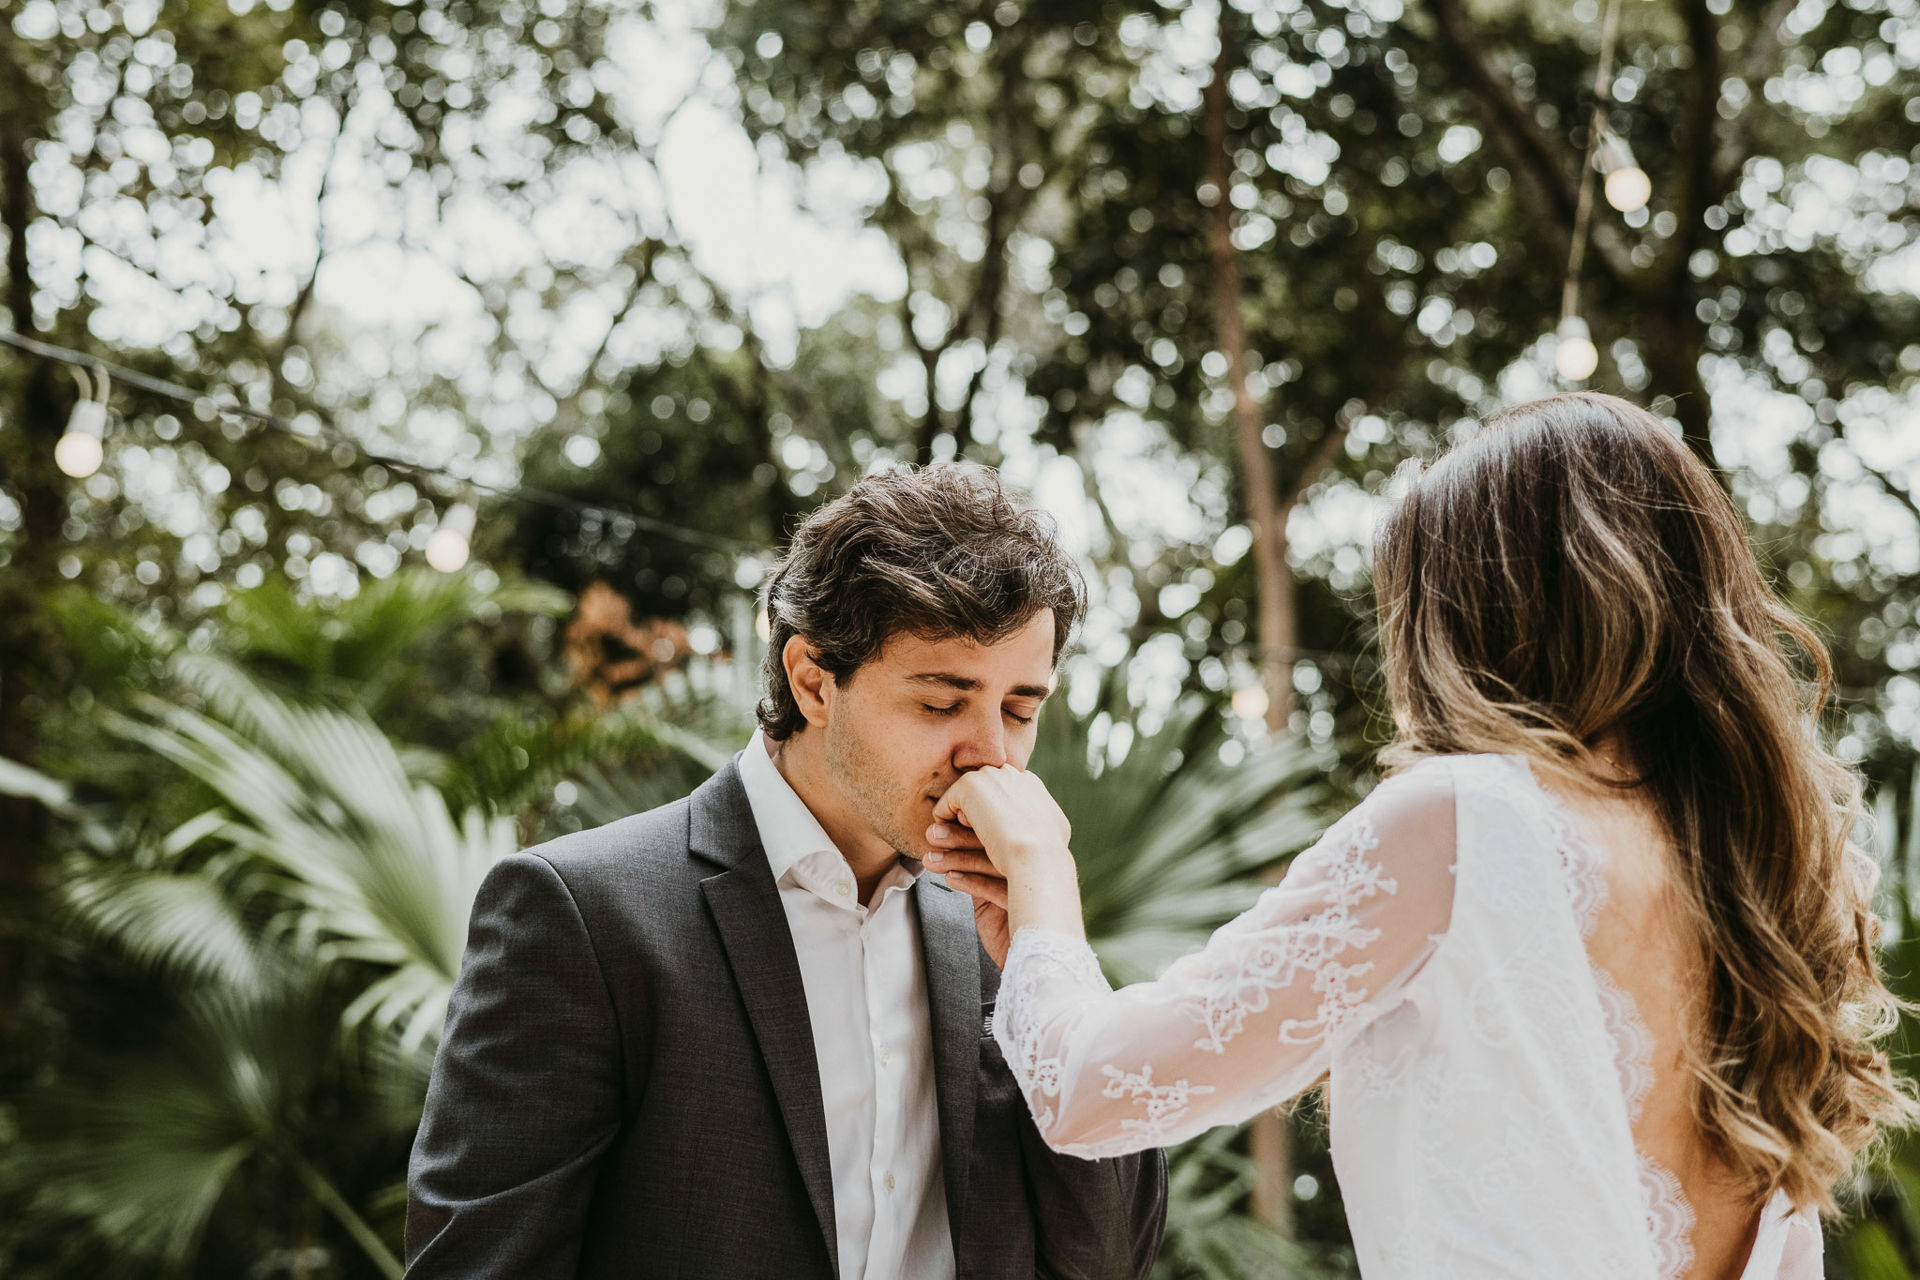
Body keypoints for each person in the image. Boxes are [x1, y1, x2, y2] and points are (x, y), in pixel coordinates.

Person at [926, 393, 1918, 1279]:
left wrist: (1042, 875)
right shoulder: (1764, 881)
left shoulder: (1467, 821)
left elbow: (1093, 1090)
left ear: (1467, 613)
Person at [404, 463, 1166, 1280]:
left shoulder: (1020, 934)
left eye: (1020, 710)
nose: (992, 755)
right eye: (941, 702)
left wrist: (1053, 964)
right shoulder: (582, 916)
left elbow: (1108, 1261)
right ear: (812, 680)